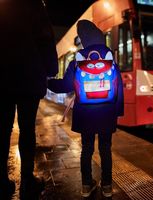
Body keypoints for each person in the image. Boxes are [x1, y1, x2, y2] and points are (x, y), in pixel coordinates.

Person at [48, 19, 124, 198]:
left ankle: (86, 185)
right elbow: (119, 87)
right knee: (105, 149)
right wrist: (118, 112)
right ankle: (106, 186)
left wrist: (47, 83)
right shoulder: (110, 58)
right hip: (107, 112)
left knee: (87, 148)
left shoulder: (78, 59)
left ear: (83, 39)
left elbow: (65, 86)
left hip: (85, 114)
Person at [0, 0, 58, 199]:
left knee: (2, 129)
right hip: (28, 76)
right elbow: (45, 38)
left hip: (2, 77)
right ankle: (27, 181)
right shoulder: (33, 4)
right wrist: (51, 69)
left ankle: (1, 181)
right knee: (27, 130)